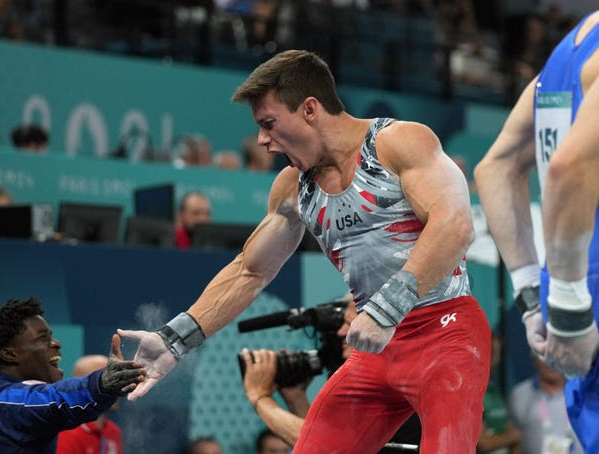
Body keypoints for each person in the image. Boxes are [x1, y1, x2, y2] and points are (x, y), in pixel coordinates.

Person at [119, 49, 491, 452]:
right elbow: (250, 271)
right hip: (376, 348)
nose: (262, 141)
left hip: (446, 332)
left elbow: (455, 226)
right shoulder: (293, 187)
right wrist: (176, 338)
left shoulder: (399, 143)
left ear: (310, 109)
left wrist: (386, 308)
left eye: (269, 124)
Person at [474, 10, 599, 451]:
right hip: (579, 301)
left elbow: (496, 167)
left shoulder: (564, 57)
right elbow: (569, 167)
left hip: (572, 296)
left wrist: (533, 297)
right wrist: (569, 308)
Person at [0, 297, 145, 453]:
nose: (56, 343)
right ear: (10, 353)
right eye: (42, 338)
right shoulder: (3, 403)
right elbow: (53, 400)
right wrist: (99, 385)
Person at [240, 298, 421, 451]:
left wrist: (260, 397)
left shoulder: (387, 380)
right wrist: (295, 398)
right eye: (342, 323)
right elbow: (322, 437)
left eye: (349, 324)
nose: (342, 332)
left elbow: (326, 446)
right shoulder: (392, 372)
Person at [509, 357, 582, 454]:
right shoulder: (520, 394)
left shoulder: (585, 394)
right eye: (545, 356)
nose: (551, 363)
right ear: (534, 358)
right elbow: (513, 443)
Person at [56, 355, 124, 454]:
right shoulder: (66, 432)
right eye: (107, 381)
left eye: (117, 380)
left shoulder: (113, 431)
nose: (117, 388)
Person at [477, 333, 521, 454]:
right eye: (491, 352)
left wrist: (512, 438)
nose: (496, 358)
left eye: (498, 353)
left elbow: (513, 436)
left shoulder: (495, 392)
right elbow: (483, 443)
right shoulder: (472, 394)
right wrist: (511, 437)